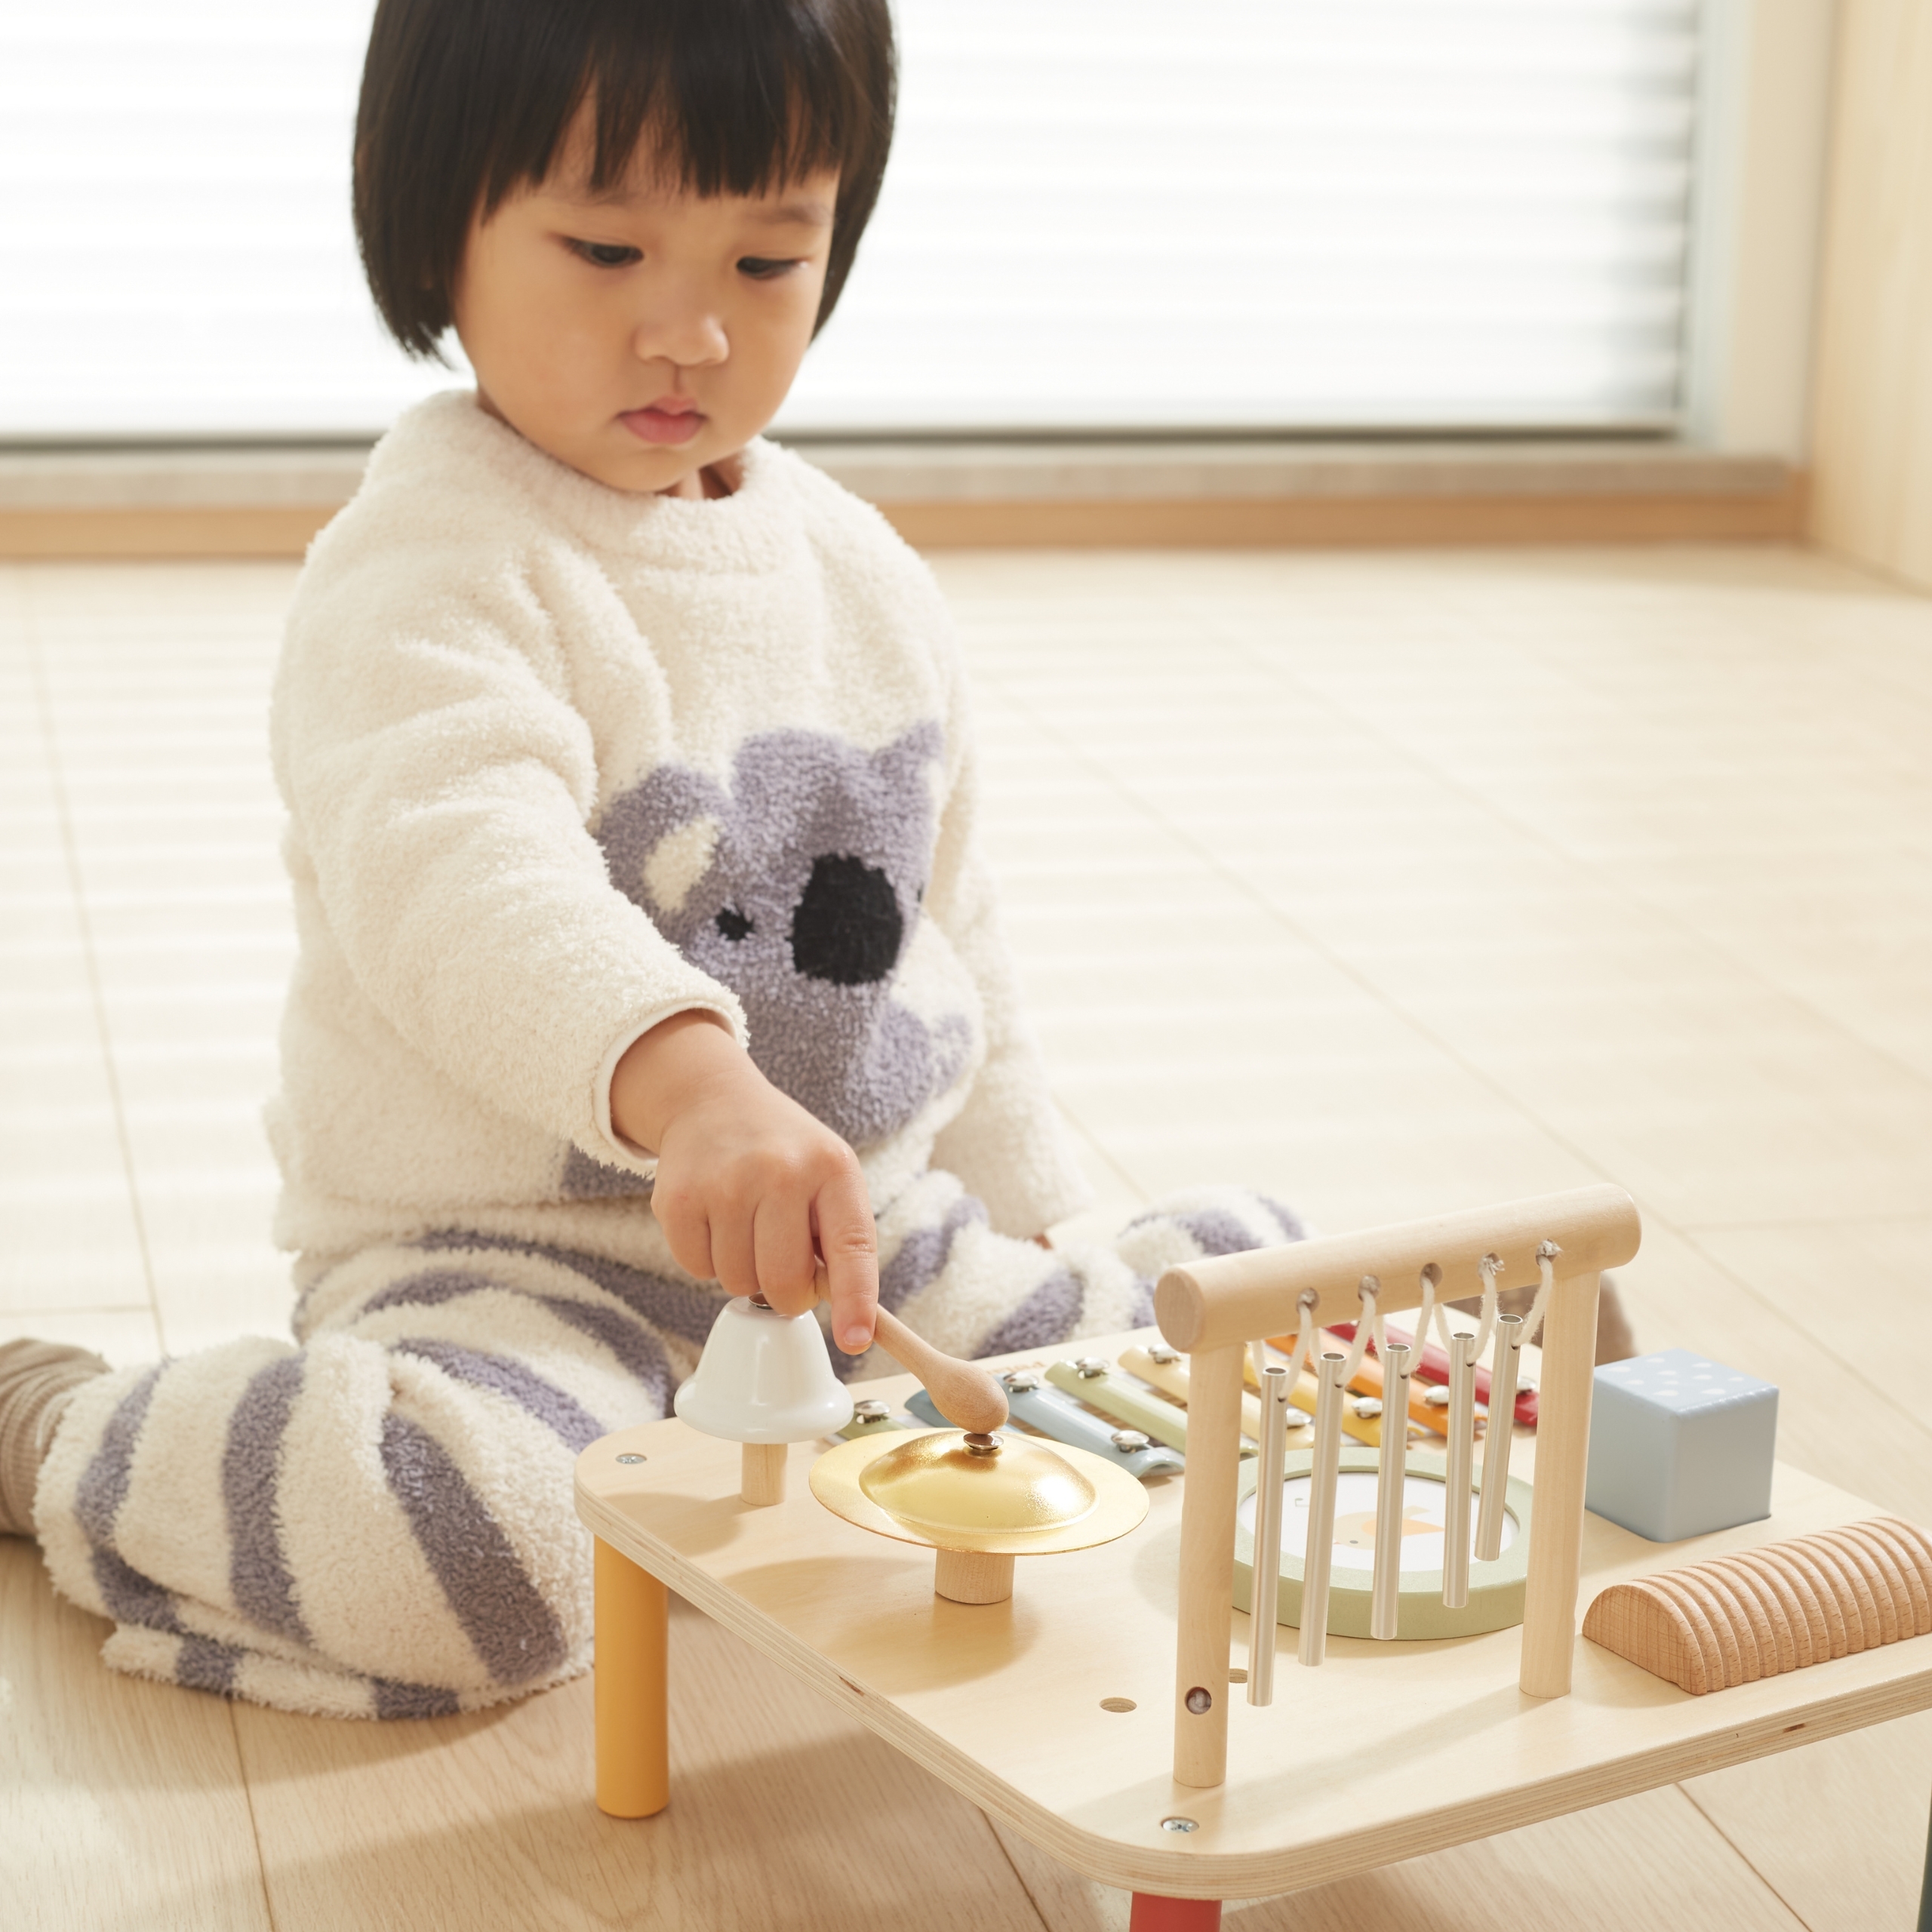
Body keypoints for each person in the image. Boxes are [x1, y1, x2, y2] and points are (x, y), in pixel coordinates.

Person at [0, 0, 1303, 1717]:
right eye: (606, 248)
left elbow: (952, 933)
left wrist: (1041, 1230)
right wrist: (689, 1087)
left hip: (865, 1256)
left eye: (767, 259)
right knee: (468, 1549)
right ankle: (63, 1423)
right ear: (433, 220)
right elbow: (461, 875)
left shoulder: (859, 568)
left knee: (1234, 1346)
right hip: (524, 1265)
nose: (690, 330)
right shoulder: (426, 568)